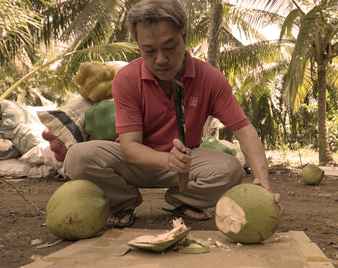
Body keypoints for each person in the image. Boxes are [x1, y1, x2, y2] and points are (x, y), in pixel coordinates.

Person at [64, 0, 282, 227]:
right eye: (148, 50)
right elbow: (129, 148)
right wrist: (168, 160)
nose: (160, 59)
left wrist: (264, 185)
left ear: (184, 37)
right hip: (136, 162)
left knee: (231, 170)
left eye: (169, 47)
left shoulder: (210, 79)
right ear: (139, 46)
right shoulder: (127, 79)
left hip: (186, 163)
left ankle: (181, 199)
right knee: (78, 157)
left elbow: (245, 131)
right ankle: (124, 201)